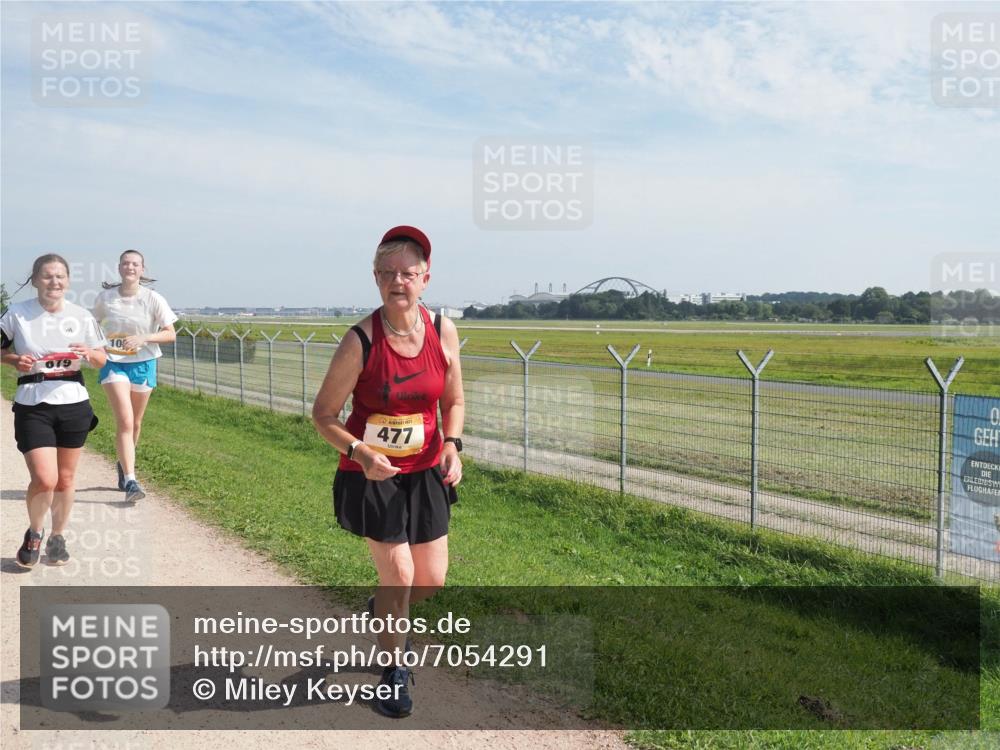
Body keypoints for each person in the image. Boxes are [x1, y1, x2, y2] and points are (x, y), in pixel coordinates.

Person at [312, 225, 465, 719]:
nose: (399, 281)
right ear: (376, 279)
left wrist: (453, 445)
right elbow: (323, 415)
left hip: (425, 472)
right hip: (372, 474)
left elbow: (454, 399)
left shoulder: (443, 331)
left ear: (425, 278)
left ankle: (381, 612)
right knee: (398, 574)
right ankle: (393, 670)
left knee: (430, 581)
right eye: (388, 273)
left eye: (409, 273)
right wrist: (360, 452)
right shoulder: (360, 339)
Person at [1, 254, 108, 568]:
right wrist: (12, 360)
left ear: (68, 281)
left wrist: (89, 353)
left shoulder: (81, 316)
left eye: (60, 276)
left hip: (73, 402)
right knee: (45, 479)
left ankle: (58, 536)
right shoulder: (17, 314)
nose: (54, 282)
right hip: (33, 403)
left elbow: (101, 359)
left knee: (65, 479)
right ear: (35, 280)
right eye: (47, 276)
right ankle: (35, 531)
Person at [92, 249, 178, 503]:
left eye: (135, 264)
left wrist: (144, 337)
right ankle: (131, 479)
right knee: (126, 421)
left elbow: (170, 333)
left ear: (142, 269)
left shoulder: (153, 299)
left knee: (136, 423)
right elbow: (91, 325)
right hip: (114, 363)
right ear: (119, 268)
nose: (130, 267)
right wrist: (97, 345)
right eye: (126, 263)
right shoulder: (105, 298)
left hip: (144, 362)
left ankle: (123, 463)